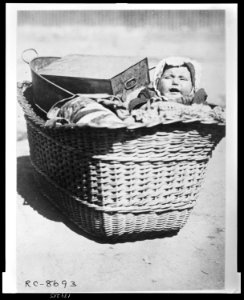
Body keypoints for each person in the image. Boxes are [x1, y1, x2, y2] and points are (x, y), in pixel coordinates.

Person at [128, 56, 208, 112]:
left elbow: (205, 111)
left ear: (193, 86)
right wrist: (144, 107)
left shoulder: (196, 97)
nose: (175, 82)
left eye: (182, 78)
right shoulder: (150, 94)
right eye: (168, 77)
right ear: (157, 83)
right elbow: (134, 103)